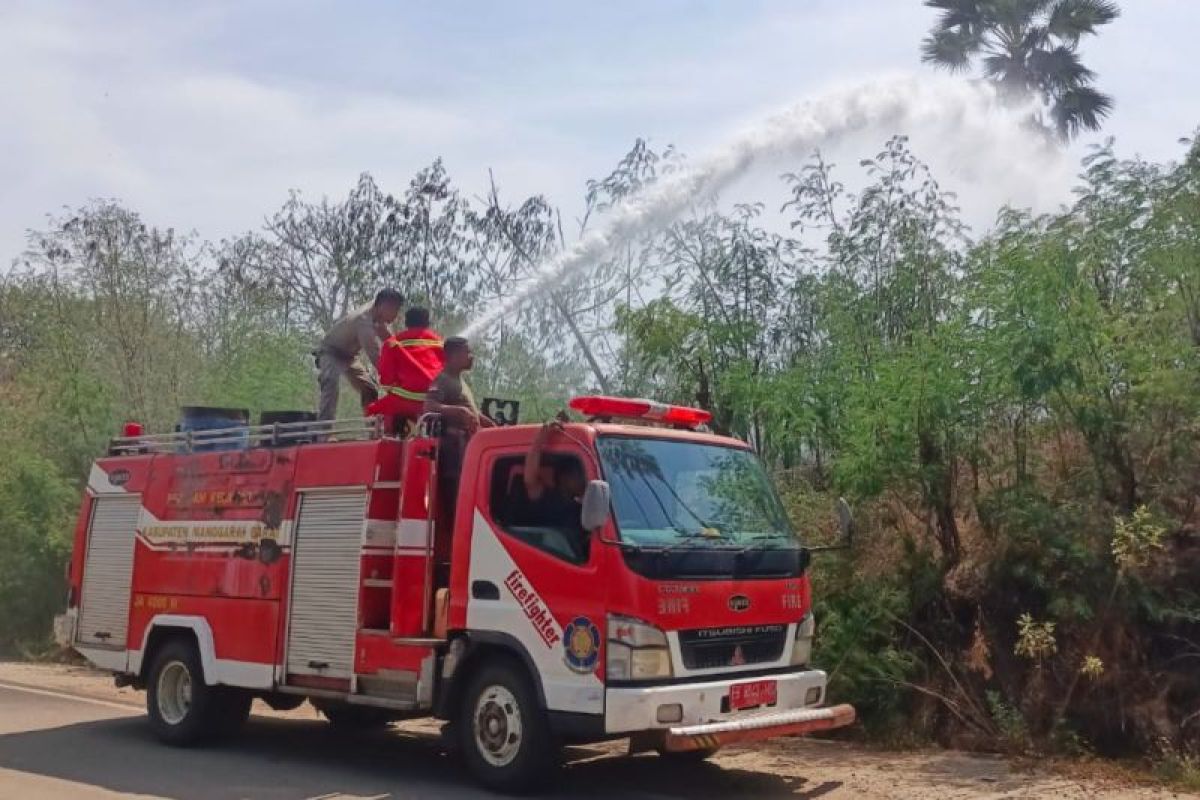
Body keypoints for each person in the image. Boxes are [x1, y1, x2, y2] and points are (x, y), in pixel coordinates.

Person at [424, 336, 494, 551]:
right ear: (453, 355)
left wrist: (491, 425)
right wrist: (458, 411)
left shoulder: (460, 382)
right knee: (458, 502)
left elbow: (472, 411)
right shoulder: (442, 379)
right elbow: (429, 405)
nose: (471, 357)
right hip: (453, 452)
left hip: (466, 449)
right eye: (467, 352)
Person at [315, 289, 404, 421]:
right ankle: (323, 430)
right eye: (395, 310)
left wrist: (407, 360)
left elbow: (389, 340)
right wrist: (395, 382)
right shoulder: (363, 320)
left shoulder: (377, 314)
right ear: (385, 306)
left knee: (370, 389)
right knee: (331, 385)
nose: (396, 315)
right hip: (331, 352)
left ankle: (372, 426)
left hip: (349, 357)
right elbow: (375, 356)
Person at [365, 306, 444, 434]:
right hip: (436, 401)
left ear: (406, 323)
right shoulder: (440, 342)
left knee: (374, 410)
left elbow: (386, 381)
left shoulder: (392, 343)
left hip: (404, 402)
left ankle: (390, 437)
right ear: (428, 323)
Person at [517, 420, 586, 534]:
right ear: (565, 477)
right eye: (578, 474)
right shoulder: (546, 497)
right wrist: (540, 439)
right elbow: (530, 480)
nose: (583, 479)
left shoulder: (580, 507)